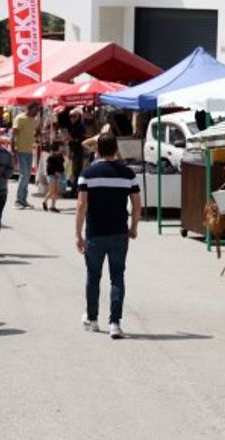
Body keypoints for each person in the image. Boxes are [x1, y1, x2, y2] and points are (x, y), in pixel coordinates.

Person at [75, 133, 141, 339]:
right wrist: (133, 226)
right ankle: (114, 323)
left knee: (93, 277)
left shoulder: (88, 173)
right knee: (117, 278)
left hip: (95, 233)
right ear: (116, 149)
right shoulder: (128, 174)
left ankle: (93, 319)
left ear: (98, 150)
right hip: (119, 232)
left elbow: (81, 205)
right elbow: (137, 204)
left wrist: (78, 234)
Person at [12, 101, 41, 209]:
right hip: (20, 149)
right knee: (24, 175)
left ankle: (23, 200)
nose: (37, 111)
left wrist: (38, 131)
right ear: (30, 108)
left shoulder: (35, 120)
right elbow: (14, 134)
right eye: (36, 109)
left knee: (27, 176)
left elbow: (37, 130)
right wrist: (13, 148)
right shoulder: (20, 118)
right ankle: (18, 201)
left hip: (29, 150)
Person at [67, 108, 87, 192]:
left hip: (78, 150)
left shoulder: (80, 126)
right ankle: (74, 188)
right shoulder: (74, 126)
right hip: (73, 150)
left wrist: (70, 139)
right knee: (73, 170)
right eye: (70, 116)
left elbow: (81, 139)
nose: (72, 118)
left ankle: (76, 189)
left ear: (78, 116)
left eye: (74, 116)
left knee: (76, 170)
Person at [44, 141, 64, 213]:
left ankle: (53, 206)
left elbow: (61, 166)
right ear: (57, 147)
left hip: (58, 176)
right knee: (52, 190)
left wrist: (61, 173)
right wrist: (55, 172)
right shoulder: (51, 156)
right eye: (61, 146)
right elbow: (49, 168)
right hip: (52, 175)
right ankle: (45, 201)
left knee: (56, 191)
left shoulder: (61, 156)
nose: (62, 147)